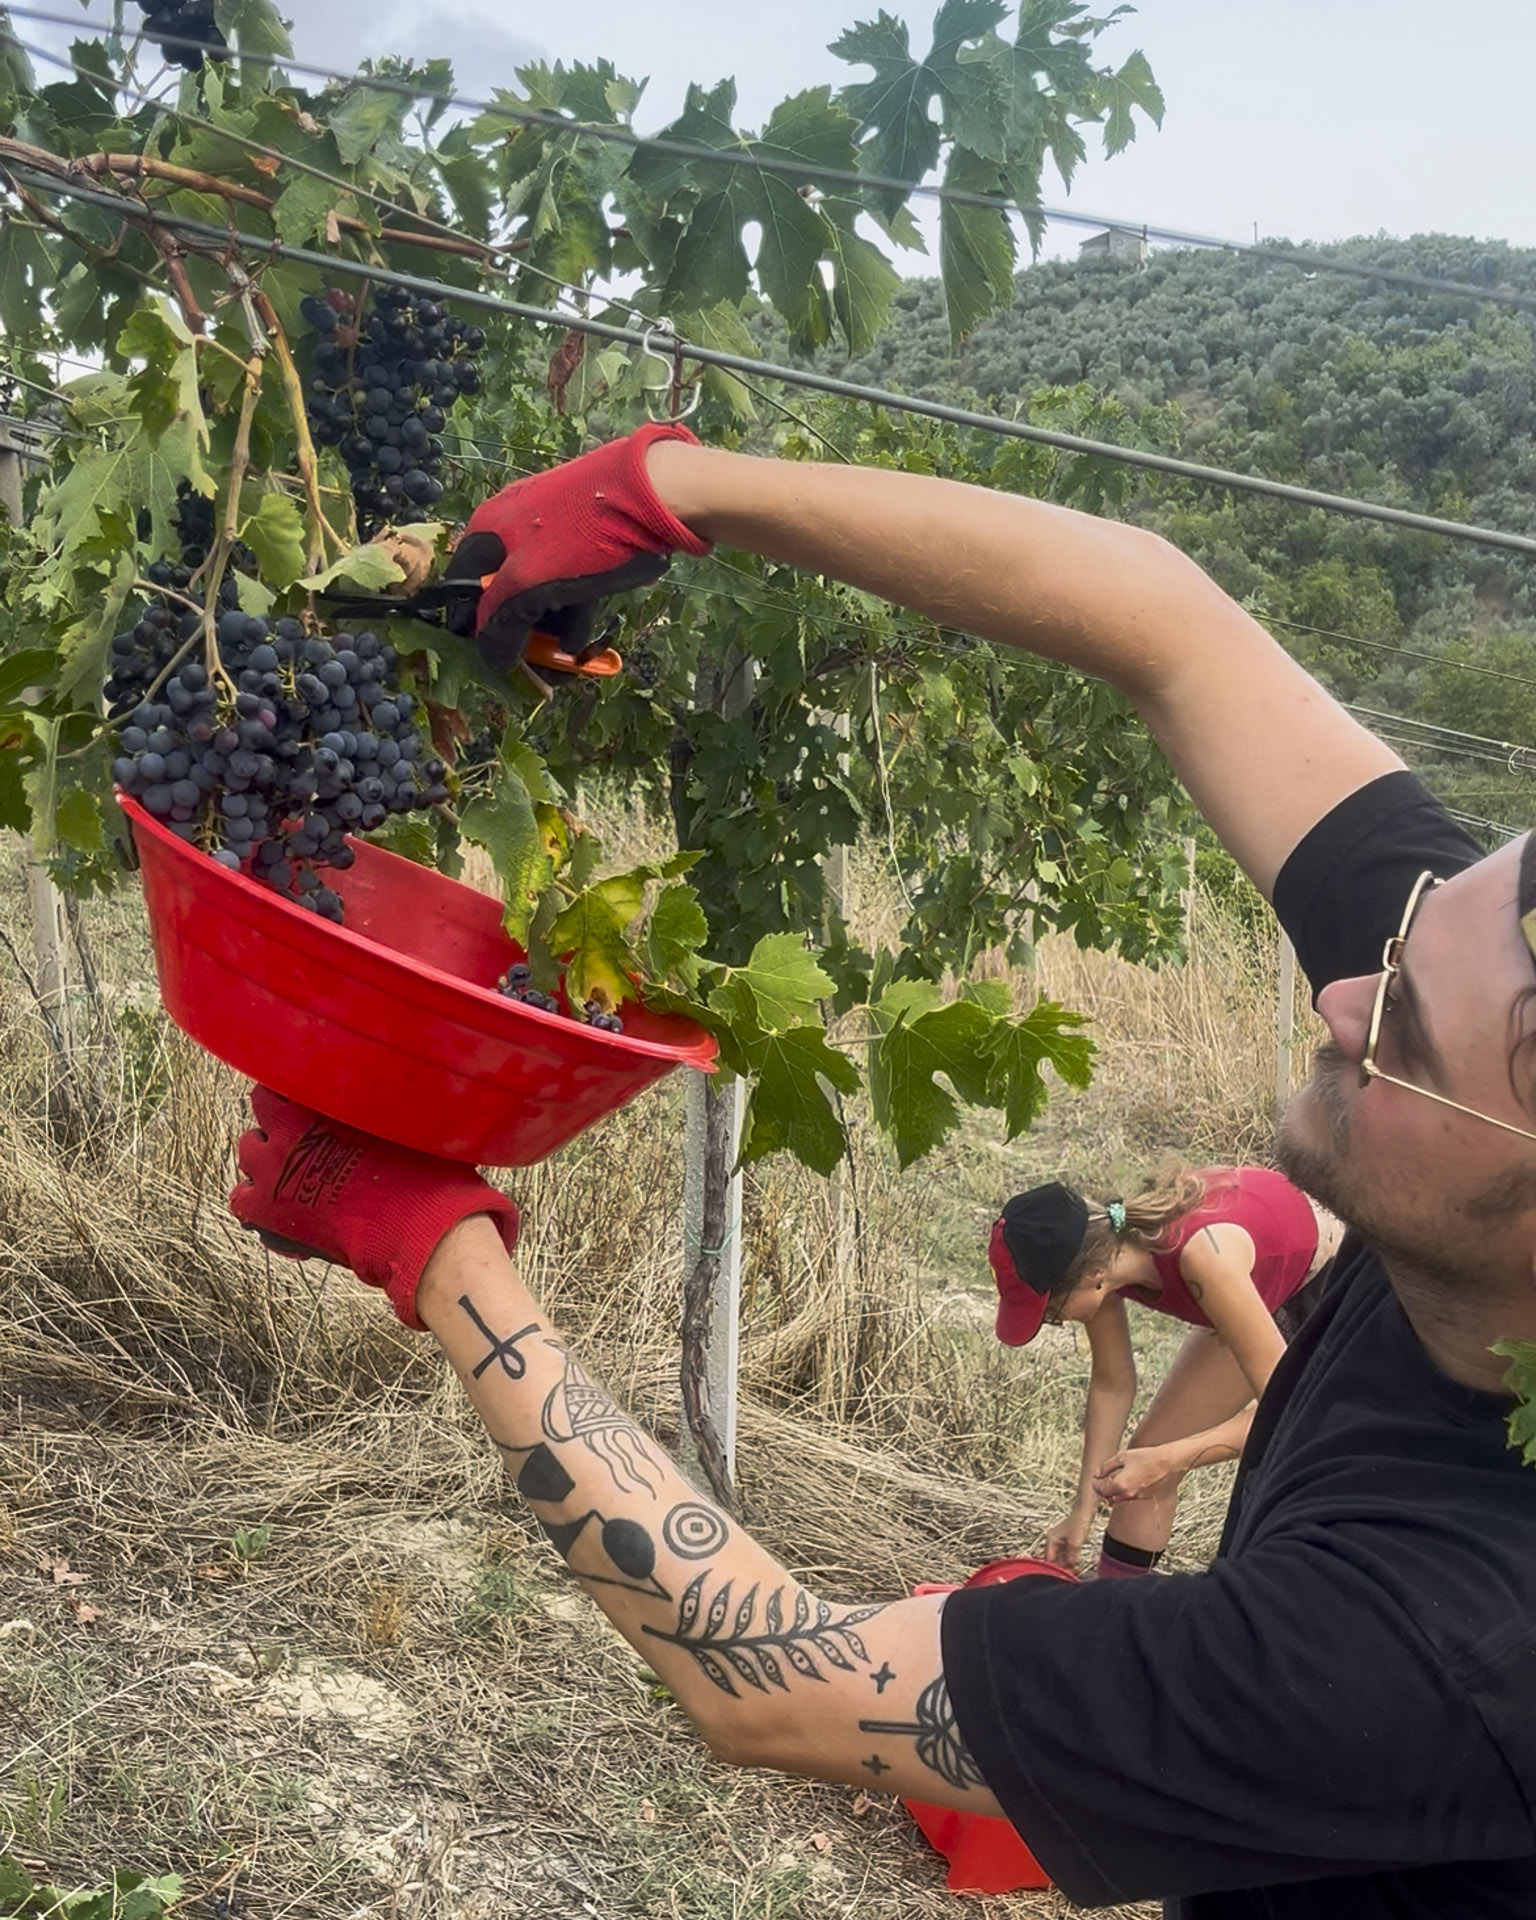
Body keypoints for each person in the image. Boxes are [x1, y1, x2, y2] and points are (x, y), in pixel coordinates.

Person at [231, 423, 1536, 1918]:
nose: (1338, 999)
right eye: (1389, 948)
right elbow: (1169, 625)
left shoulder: (1452, 1647)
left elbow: (763, 1679)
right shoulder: (1492, 990)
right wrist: (678, 488)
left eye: (1404, 1038)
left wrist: (432, 1241)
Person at [989, 1164, 1343, 1576]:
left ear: (1092, 1274)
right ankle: (1113, 1620)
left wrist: (1167, 1460)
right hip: (1259, 1276)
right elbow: (1112, 1385)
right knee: (1146, 1462)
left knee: (1299, 1461)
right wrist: (1083, 1510)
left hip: (1331, 1278)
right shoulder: (1104, 1257)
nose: (1055, 1320)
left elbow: (1288, 1411)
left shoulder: (1203, 1260)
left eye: (1050, 1311)